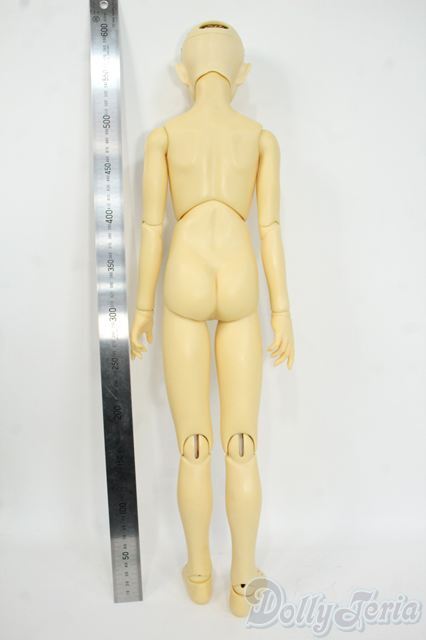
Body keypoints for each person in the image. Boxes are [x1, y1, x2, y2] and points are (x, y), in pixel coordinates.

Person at [130, 20, 295, 616]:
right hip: (241, 281)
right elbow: (269, 229)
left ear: (183, 74)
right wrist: (282, 310)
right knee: (241, 444)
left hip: (185, 276)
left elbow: (152, 229)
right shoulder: (261, 138)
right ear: (241, 74)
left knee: (194, 445)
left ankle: (199, 572)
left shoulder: (164, 136)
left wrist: (143, 307)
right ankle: (243, 582)